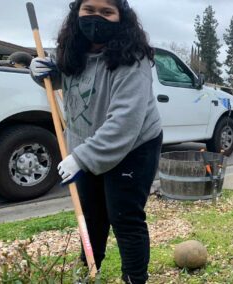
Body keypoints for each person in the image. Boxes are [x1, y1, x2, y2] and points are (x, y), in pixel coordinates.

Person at [29, 0, 162, 283]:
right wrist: (43, 72)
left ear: (120, 17)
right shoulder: (72, 51)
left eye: (106, 12)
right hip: (87, 143)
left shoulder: (132, 58)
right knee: (90, 217)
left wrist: (81, 158)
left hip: (133, 145)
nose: (96, 18)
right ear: (77, 12)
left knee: (124, 216)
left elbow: (125, 122)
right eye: (89, 10)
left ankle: (134, 279)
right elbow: (67, 81)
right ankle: (87, 274)